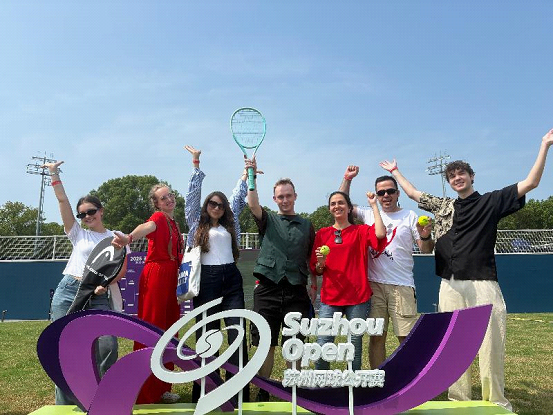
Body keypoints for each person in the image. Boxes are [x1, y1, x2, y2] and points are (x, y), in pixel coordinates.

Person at [379, 128, 553, 411]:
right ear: (449, 182)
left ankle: (496, 401)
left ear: (472, 177)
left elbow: (531, 182)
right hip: (449, 284)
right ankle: (458, 401)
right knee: (452, 346)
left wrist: (545, 145)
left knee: (491, 343)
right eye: (452, 176)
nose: (456, 178)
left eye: (461, 174)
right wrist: (395, 172)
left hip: (483, 283)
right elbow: (412, 193)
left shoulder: (491, 201)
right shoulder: (443, 206)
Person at [43, 160, 127, 406]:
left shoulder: (116, 237)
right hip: (69, 291)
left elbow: (121, 268)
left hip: (98, 295)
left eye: (91, 211)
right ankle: (65, 405)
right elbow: (62, 202)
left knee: (107, 345)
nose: (87, 216)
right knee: (63, 349)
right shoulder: (77, 233)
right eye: (82, 214)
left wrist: (106, 283)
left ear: (101, 211)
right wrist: (54, 174)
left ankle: (102, 397)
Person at [339, 166, 434, 369]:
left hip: (402, 286)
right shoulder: (369, 214)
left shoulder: (410, 216)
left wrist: (425, 236)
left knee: (406, 338)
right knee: (376, 338)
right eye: (381, 192)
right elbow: (341, 202)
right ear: (376, 195)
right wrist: (347, 179)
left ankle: (409, 381)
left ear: (398, 193)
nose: (386, 196)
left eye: (390, 191)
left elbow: (426, 250)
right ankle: (378, 381)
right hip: (375, 286)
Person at [246, 157, 316, 401]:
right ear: (274, 199)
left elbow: (311, 258)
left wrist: (313, 284)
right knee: (266, 343)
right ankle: (263, 391)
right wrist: (251, 176)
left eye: (288, 196)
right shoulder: (268, 219)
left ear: (295, 196)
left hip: (296, 291)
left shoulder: (307, 225)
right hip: (268, 289)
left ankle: (293, 390)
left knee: (294, 344)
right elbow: (252, 203)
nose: (285, 200)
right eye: (280, 197)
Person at [184, 145, 250, 403]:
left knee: (237, 333)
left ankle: (237, 392)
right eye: (212, 203)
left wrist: (245, 174)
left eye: (220, 205)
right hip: (207, 281)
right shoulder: (196, 223)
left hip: (231, 279)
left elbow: (237, 198)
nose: (217, 207)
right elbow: (191, 198)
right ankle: (205, 391)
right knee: (207, 334)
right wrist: (196, 164)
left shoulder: (231, 224)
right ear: (206, 206)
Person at [112, 182, 184, 404]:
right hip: (157, 276)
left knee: (170, 332)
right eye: (163, 198)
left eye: (170, 195)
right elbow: (147, 227)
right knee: (152, 330)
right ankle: (144, 391)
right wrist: (129, 238)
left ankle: (163, 388)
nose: (169, 199)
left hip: (171, 277)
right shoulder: (159, 218)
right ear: (157, 204)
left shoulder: (173, 222)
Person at [310, 191, 386, 371]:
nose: (337, 206)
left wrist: (374, 205)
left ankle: (353, 385)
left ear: (349, 208)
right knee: (323, 344)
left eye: (341, 203)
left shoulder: (361, 231)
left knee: (354, 346)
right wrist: (321, 263)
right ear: (329, 209)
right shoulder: (322, 234)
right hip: (330, 298)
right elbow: (317, 270)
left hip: (358, 297)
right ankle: (322, 384)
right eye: (333, 204)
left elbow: (380, 234)